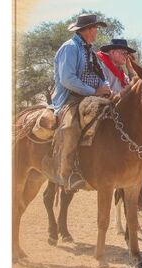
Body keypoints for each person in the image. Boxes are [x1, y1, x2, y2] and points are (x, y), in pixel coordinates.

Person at [43, 14, 111, 191]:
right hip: (70, 98)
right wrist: (94, 91)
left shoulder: (90, 51)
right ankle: (69, 172)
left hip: (92, 97)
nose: (97, 31)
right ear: (88, 30)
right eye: (95, 28)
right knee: (71, 127)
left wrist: (106, 87)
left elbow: (102, 77)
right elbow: (67, 79)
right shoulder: (70, 48)